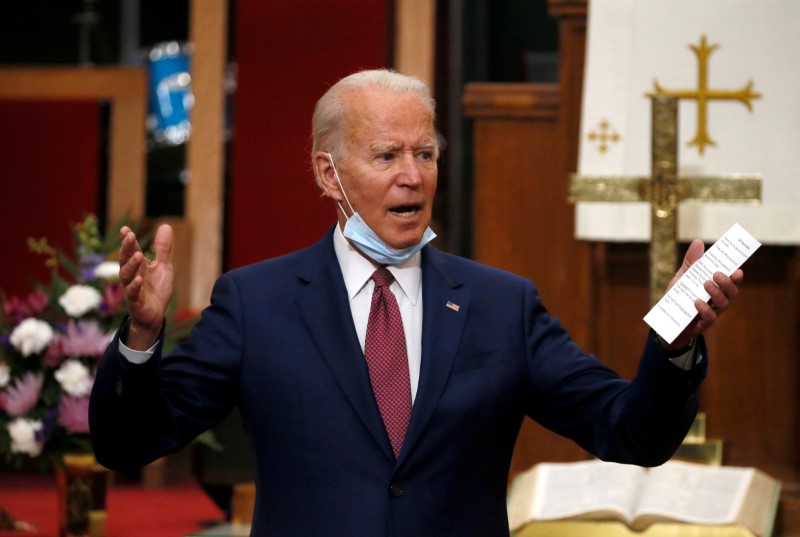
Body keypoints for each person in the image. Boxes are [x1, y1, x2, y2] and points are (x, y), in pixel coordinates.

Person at [89, 69, 742, 537]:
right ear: (328, 173)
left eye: (425, 152)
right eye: (387, 154)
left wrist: (675, 343)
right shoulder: (255, 303)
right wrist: (143, 338)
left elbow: (630, 430)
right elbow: (128, 442)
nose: (413, 174)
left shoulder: (500, 305)